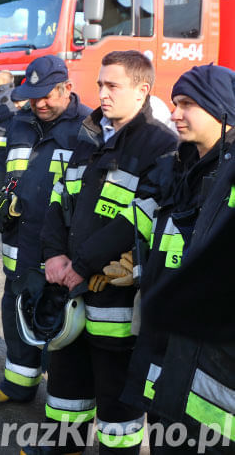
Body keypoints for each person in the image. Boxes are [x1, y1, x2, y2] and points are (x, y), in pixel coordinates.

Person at [31, 51, 178, 454]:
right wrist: (54, 255)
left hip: (116, 300)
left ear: (142, 91)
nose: (102, 93)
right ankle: (62, 446)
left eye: (112, 85)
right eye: (99, 84)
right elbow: (61, 200)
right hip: (71, 289)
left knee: (116, 396)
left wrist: (80, 264)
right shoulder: (90, 134)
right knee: (65, 381)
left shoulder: (161, 147)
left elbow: (140, 218)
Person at [119, 65, 235, 453]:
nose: (175, 113)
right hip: (169, 349)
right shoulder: (179, 168)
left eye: (188, 104)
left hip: (216, 366)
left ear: (222, 110)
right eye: (174, 104)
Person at [0, 56, 92, 407]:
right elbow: (0, 168)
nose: (39, 103)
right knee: (16, 309)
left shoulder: (87, 129)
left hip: (61, 250)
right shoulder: (19, 123)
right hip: (19, 243)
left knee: (60, 323)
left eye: (47, 96)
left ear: (67, 89)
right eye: (33, 96)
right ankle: (18, 384)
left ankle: (63, 397)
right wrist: (2, 194)